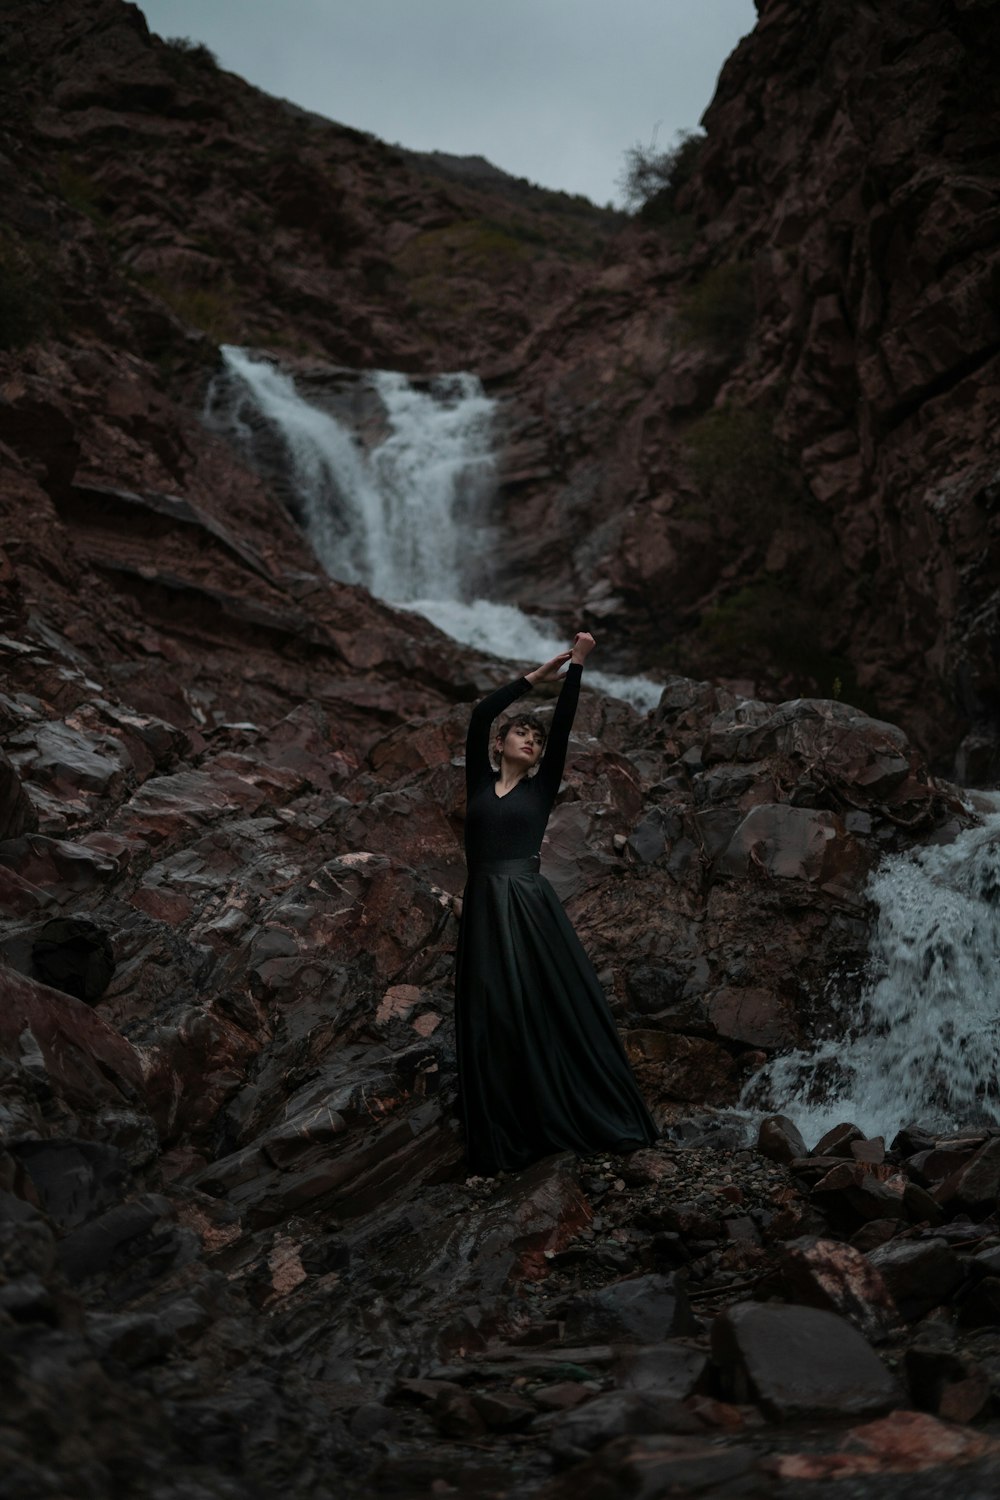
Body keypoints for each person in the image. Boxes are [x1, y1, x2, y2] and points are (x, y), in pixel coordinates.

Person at [455, 630, 658, 1175]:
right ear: (501, 745)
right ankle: (506, 1125)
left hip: (526, 903)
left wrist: (577, 669)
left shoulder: (538, 791)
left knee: (543, 1005)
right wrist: (533, 680)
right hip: (482, 906)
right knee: (490, 1014)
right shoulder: (478, 781)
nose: (531, 740)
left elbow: (564, 726)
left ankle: (567, 1106)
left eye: (535, 740)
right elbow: (480, 716)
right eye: (521, 733)